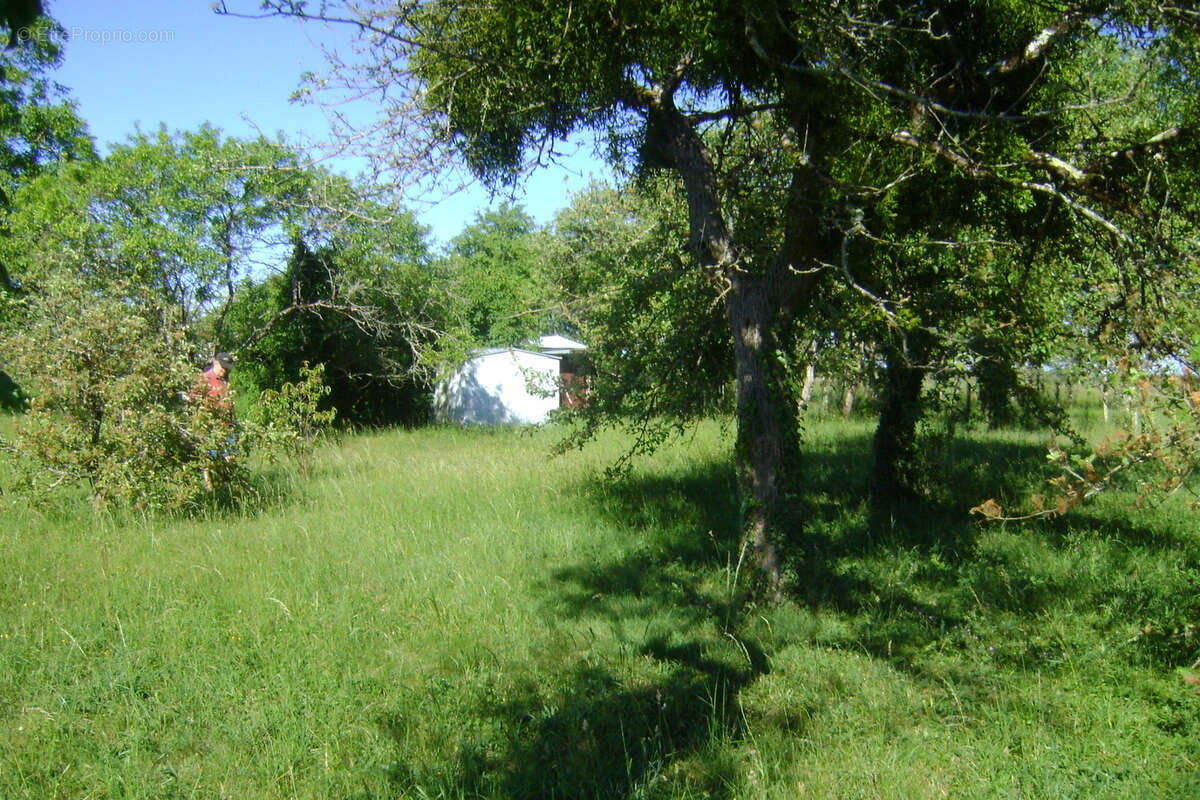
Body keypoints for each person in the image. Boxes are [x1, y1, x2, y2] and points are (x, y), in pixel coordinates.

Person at [191, 353, 235, 490]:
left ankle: (229, 487)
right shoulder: (204, 379)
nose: (225, 371)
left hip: (226, 426)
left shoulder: (225, 380)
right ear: (215, 363)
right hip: (210, 427)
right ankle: (210, 489)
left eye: (227, 369)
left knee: (230, 458)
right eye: (223, 367)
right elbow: (193, 400)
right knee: (209, 461)